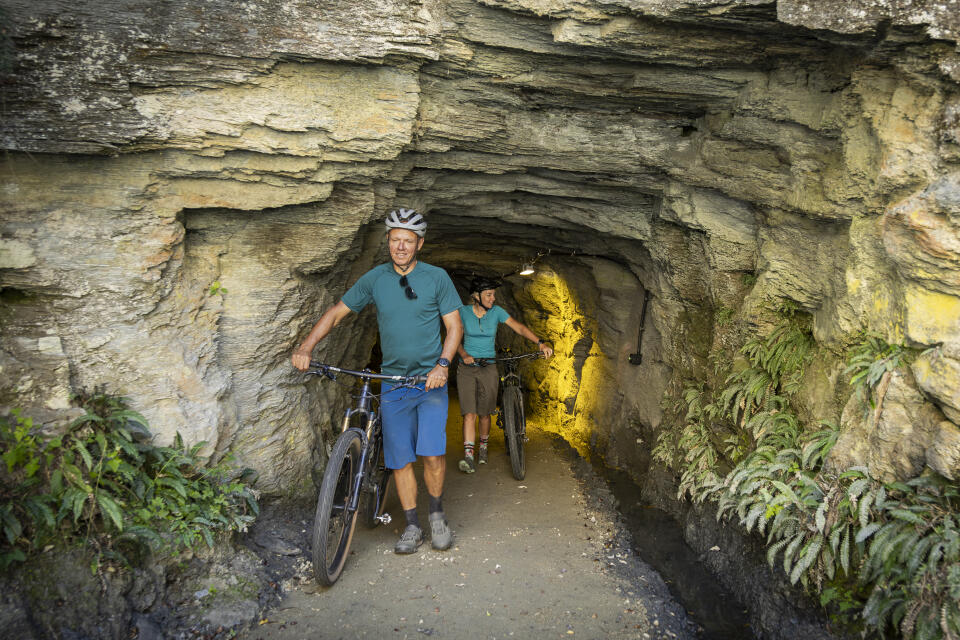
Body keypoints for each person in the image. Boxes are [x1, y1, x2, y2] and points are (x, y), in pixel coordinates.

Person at [291, 208, 463, 554]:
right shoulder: (375, 279)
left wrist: (443, 365)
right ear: (388, 241)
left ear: (419, 244)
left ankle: (436, 515)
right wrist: (307, 346)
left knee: (432, 454)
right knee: (400, 459)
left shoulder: (437, 278)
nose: (401, 246)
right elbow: (337, 313)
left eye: (408, 241)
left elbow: (454, 326)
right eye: (396, 239)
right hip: (393, 383)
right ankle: (412, 525)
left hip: (430, 381)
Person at [455, 276, 553, 473]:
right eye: (489, 295)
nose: (493, 298)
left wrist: (540, 343)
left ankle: (483, 448)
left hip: (489, 366)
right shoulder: (462, 312)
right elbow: (453, 337)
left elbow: (519, 327)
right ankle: (469, 456)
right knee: (469, 413)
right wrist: (464, 354)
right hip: (466, 368)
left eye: (494, 295)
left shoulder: (497, 312)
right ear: (476, 296)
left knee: (485, 413)